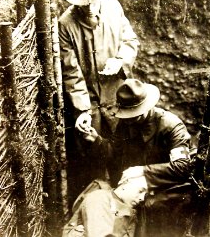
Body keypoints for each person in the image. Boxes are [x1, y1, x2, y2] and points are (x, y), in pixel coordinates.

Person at [59, 0, 140, 208]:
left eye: (93, 0)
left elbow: (130, 41)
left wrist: (121, 60)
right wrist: (83, 109)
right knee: (90, 161)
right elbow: (71, 72)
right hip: (90, 105)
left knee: (123, 156)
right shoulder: (65, 24)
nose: (90, 6)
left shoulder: (114, 8)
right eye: (83, 2)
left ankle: (123, 211)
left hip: (118, 100)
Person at [82, 79, 196, 236]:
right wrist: (96, 140)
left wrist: (143, 171)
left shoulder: (171, 126)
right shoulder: (126, 123)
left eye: (134, 115)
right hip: (137, 186)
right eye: (127, 115)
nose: (129, 120)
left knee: (154, 209)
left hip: (167, 186)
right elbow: (115, 154)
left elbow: (183, 166)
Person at [62, 176, 148, 237]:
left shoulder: (128, 210)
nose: (142, 198)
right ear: (125, 183)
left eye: (145, 194)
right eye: (140, 191)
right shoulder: (100, 198)